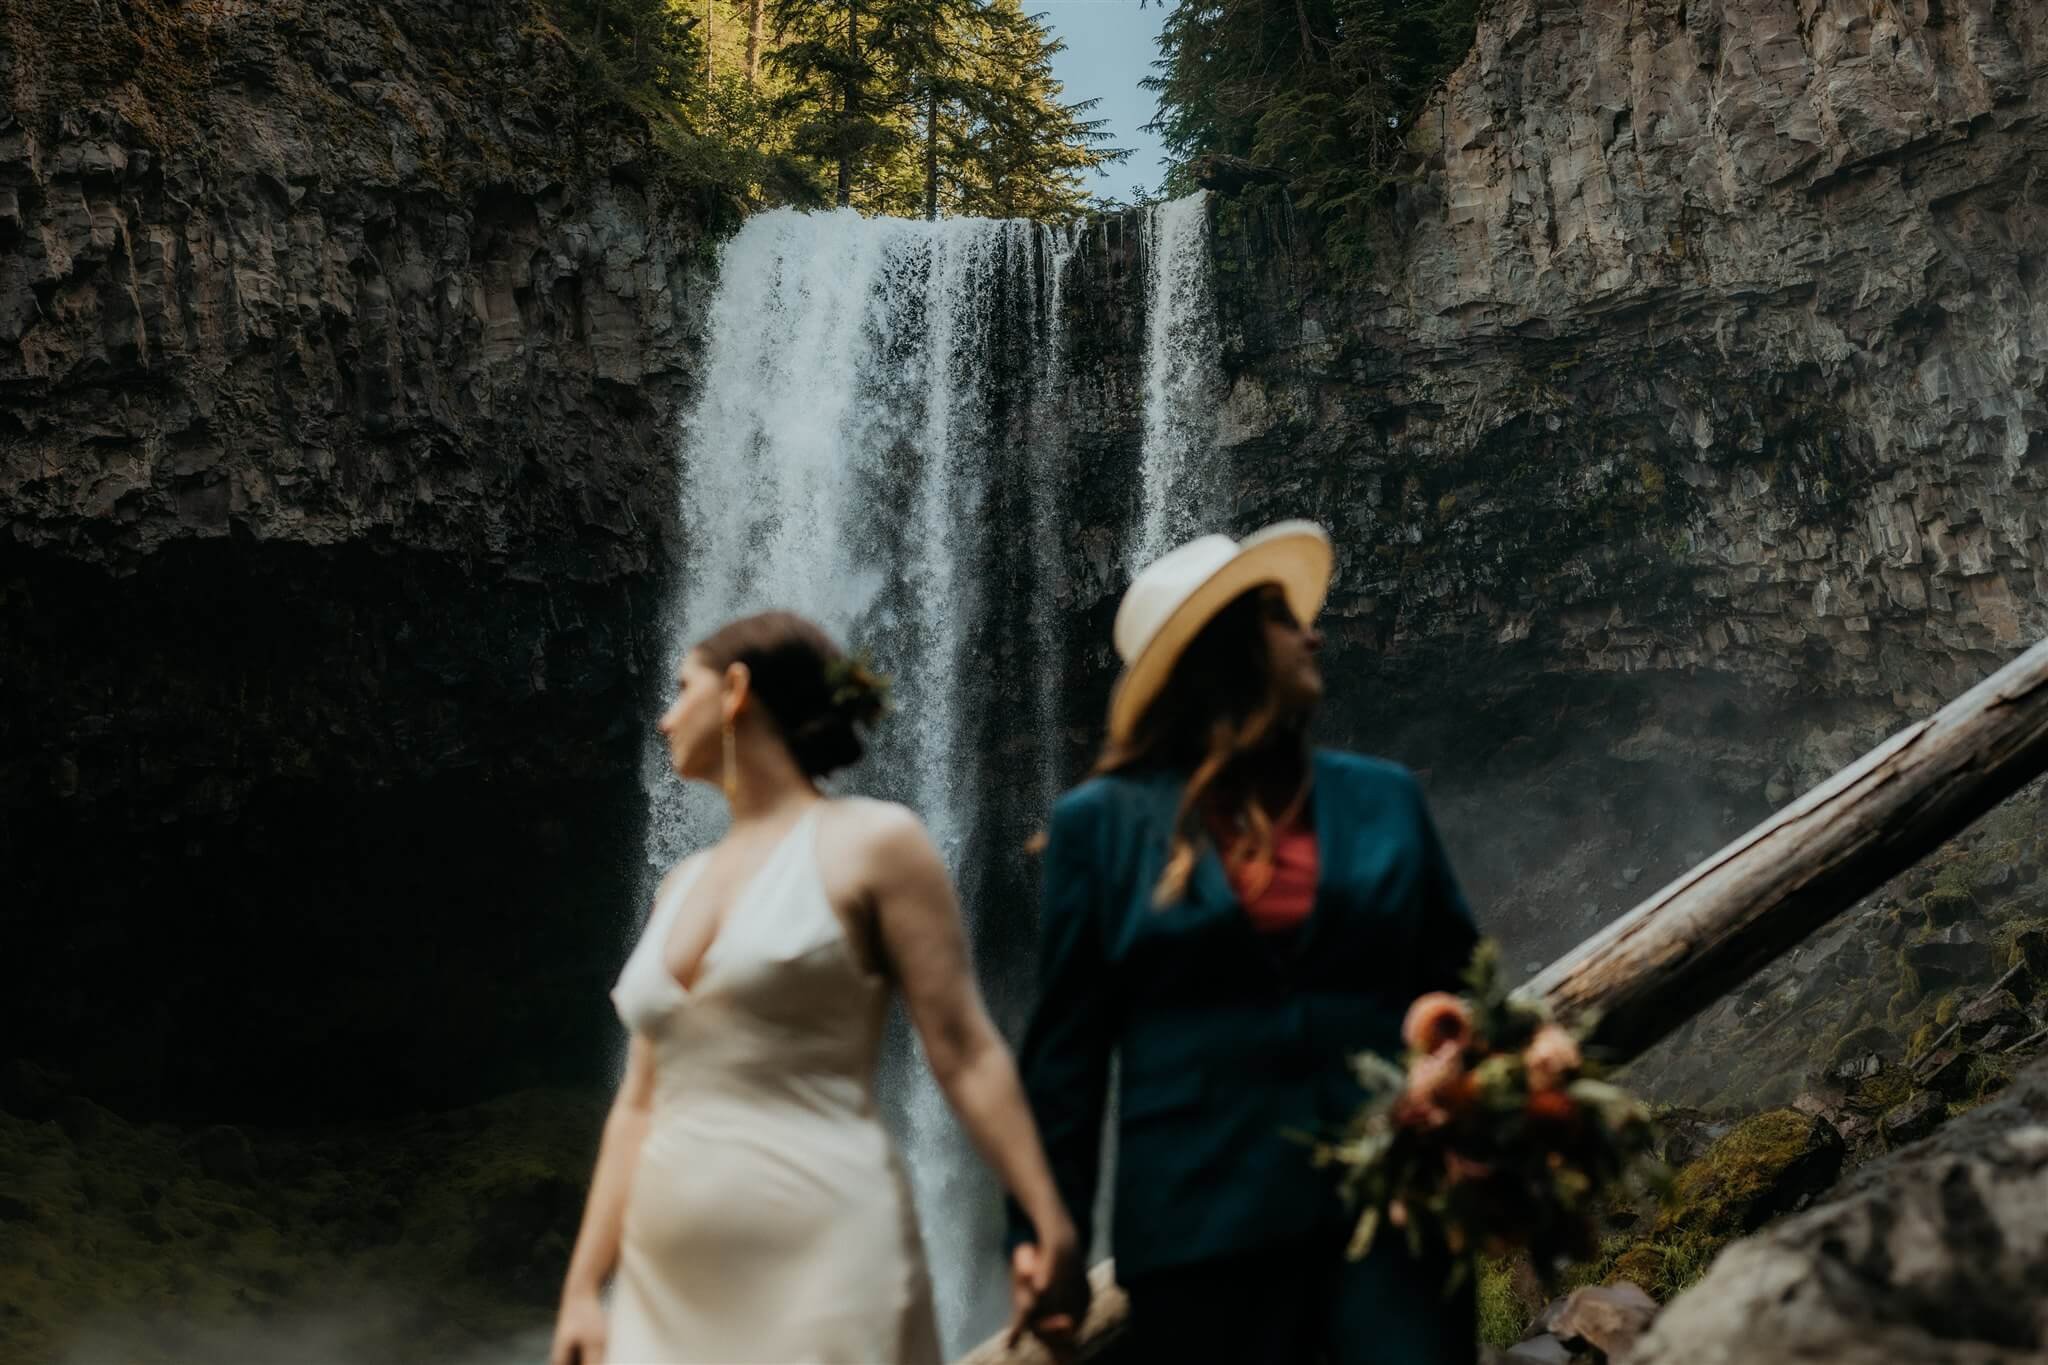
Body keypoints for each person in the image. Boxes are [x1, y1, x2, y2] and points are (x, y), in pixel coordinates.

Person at [551, 610, 1078, 1365]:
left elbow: (963, 1047)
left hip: (823, 1248)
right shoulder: (677, 885)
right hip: (664, 1282)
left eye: (680, 688)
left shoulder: (874, 842)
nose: (664, 718)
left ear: (735, 688)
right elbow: (637, 1102)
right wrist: (582, 1289)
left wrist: (1046, 1217)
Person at [1009, 521, 1481, 1364]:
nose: (1315, 630)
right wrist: (1048, 1233)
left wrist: (1471, 1104)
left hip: (1397, 1218)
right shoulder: (1103, 827)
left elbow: (1464, 987)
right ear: (1218, 650)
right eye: (1278, 615)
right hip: (1201, 1236)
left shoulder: (1386, 799)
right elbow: (1065, 1063)